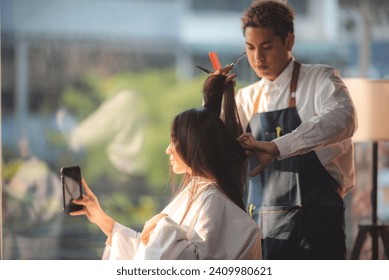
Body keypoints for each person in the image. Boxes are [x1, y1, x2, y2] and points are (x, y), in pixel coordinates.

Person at [70, 74, 262, 260]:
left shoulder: (212, 201)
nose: (168, 150)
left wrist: (161, 222)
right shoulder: (199, 192)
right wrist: (99, 216)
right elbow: (148, 249)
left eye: (173, 142)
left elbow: (184, 263)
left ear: (193, 145)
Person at [233, 0, 357, 259]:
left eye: (266, 47)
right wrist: (213, 100)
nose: (258, 58)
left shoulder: (320, 79)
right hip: (261, 229)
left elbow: (344, 118)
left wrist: (278, 147)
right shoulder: (245, 98)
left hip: (318, 227)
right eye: (250, 48)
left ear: (289, 41)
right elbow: (217, 149)